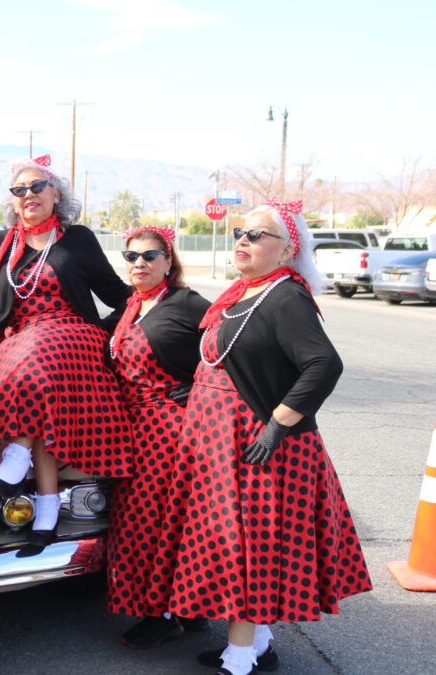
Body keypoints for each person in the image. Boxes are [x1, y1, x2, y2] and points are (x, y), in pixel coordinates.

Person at [157, 201, 372, 675]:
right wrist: (199, 383)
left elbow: (323, 364)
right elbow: (244, 356)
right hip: (217, 440)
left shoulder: (285, 295)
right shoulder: (244, 292)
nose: (243, 241)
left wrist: (278, 423)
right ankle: (260, 645)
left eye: (258, 235)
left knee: (245, 550)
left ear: (288, 248)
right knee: (226, 543)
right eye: (241, 232)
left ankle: (238, 658)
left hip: (255, 445)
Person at [0, 154, 133, 557]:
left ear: (55, 193)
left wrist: (109, 329)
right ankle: (46, 513)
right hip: (21, 341)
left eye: (36, 187)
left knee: (40, 358)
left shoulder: (76, 238)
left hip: (74, 338)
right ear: (12, 201)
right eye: (19, 190)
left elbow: (120, 295)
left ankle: (15, 457)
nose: (28, 195)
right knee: (34, 374)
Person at [103, 226, 211, 648]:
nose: (140, 264)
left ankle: (163, 613)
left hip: (171, 429)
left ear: (169, 260)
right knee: (152, 522)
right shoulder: (130, 307)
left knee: (157, 524)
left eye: (150, 256)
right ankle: (188, 607)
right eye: (131, 257)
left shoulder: (188, 303)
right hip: (136, 429)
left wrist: (199, 384)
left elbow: (230, 348)